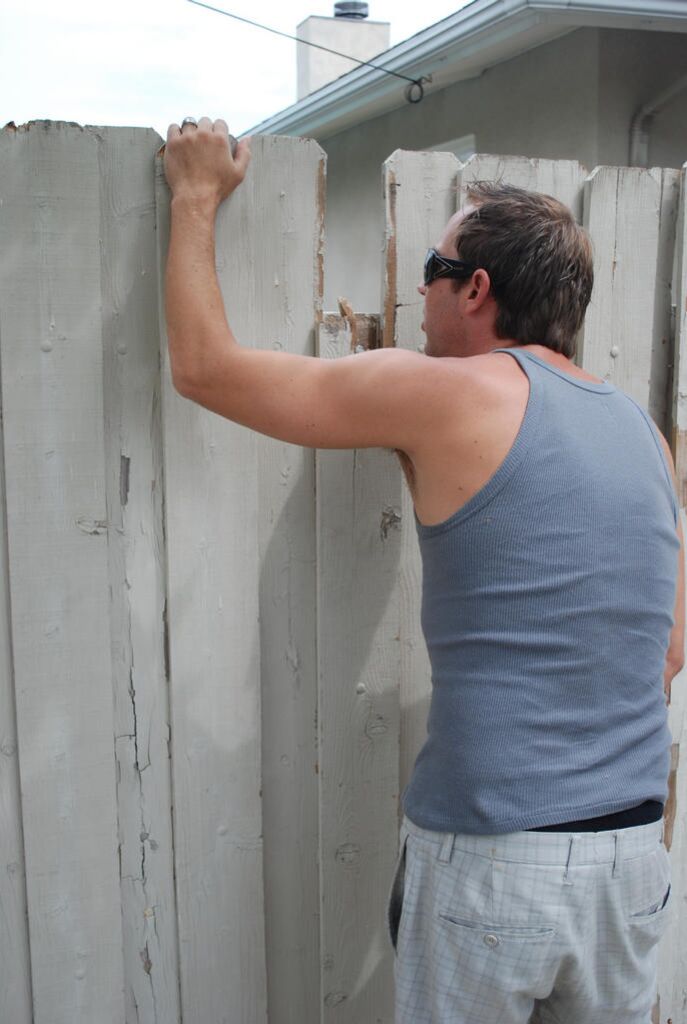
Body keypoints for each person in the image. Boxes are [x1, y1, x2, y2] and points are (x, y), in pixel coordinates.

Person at [163, 116, 684, 1024]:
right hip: (633, 861)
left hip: (496, 859)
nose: (418, 293)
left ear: (476, 289)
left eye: (432, 272)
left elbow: (205, 369)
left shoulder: (444, 392)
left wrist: (196, 195)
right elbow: (667, 650)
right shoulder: (643, 434)